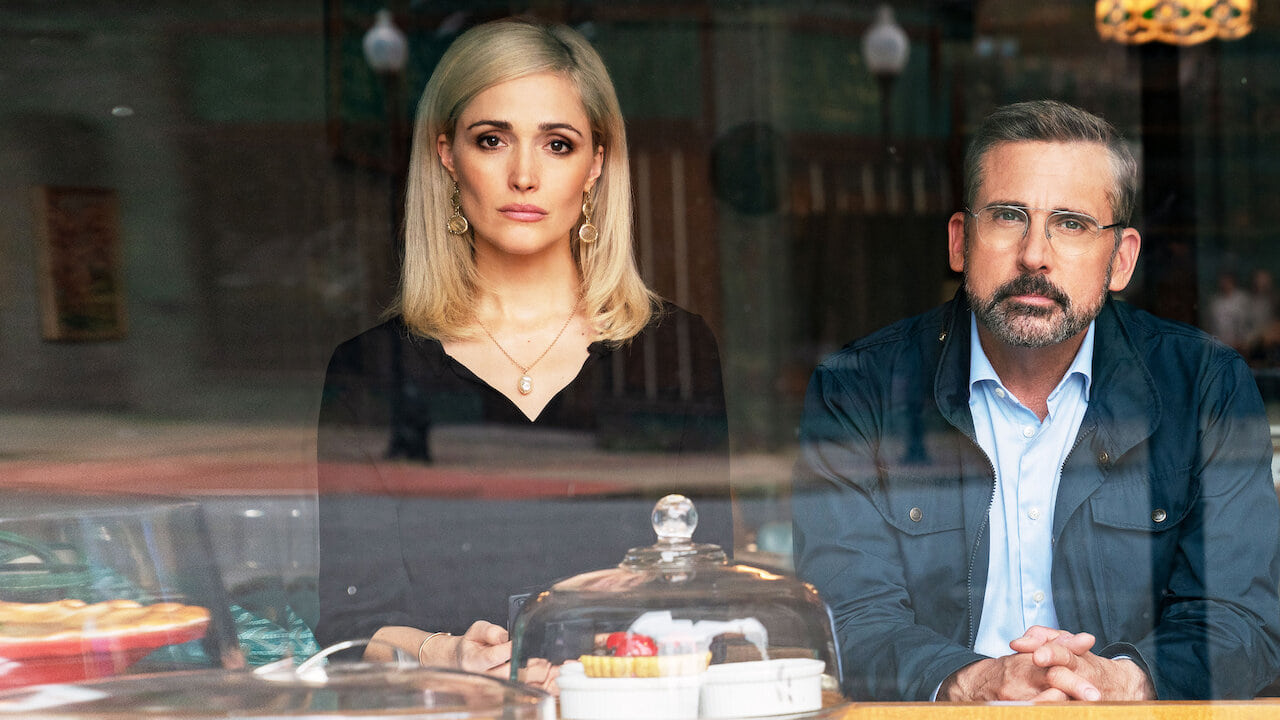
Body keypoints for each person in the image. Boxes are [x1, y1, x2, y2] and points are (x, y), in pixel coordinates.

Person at [791, 100, 1280, 702]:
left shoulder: (1206, 387)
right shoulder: (858, 389)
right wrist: (975, 683)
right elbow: (847, 616)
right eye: (1007, 216)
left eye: (1071, 223)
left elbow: (1240, 619)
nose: (1033, 254)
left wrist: (1119, 681)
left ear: (1121, 260)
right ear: (960, 242)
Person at [315, 18, 730, 677]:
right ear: (447, 155)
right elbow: (348, 630)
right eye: (492, 139)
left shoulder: (675, 351)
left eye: (558, 144)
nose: (524, 175)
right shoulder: (370, 369)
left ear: (596, 165)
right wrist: (445, 655)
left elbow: (709, 601)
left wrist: (604, 674)